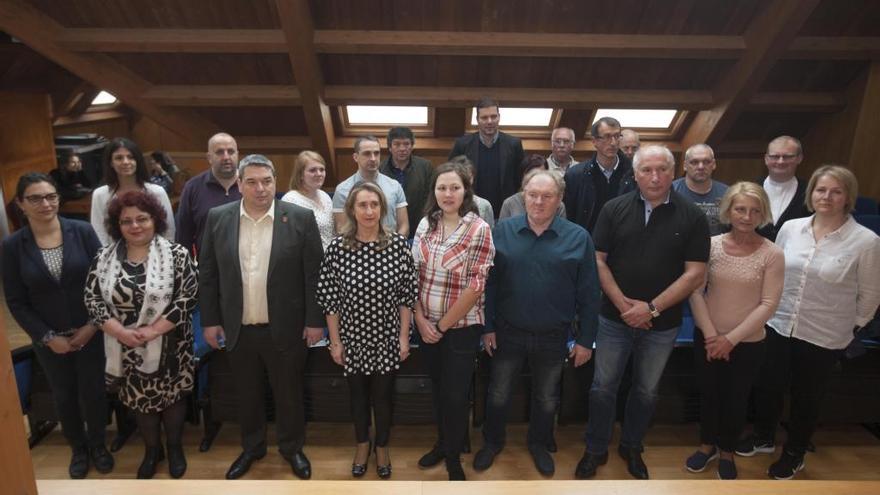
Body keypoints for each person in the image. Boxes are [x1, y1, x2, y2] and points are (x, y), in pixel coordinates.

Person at [737, 165, 880, 480]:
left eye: (836, 191)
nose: (826, 197)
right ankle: (763, 437)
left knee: (806, 397)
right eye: (820, 190)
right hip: (779, 322)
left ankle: (794, 452)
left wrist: (851, 328)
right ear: (810, 193)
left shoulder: (865, 241)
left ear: (848, 197)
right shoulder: (791, 227)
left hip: (824, 335)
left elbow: (871, 296)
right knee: (769, 387)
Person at [577, 145, 709, 480]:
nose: (654, 176)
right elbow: (597, 261)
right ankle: (595, 447)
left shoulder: (692, 215)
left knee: (647, 390)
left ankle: (632, 446)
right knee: (603, 387)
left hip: (662, 323)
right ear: (634, 174)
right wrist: (624, 305)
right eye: (647, 170)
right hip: (613, 319)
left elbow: (695, 273)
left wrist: (651, 308)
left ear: (673, 171)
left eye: (662, 169)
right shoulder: (613, 208)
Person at [199, 154, 324, 480]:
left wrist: (315, 321)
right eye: (252, 182)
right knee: (248, 394)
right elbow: (208, 273)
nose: (260, 188)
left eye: (267, 181)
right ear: (240, 184)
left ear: (275, 183)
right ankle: (252, 448)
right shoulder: (218, 218)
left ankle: (292, 449)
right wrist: (210, 321)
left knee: (289, 394)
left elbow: (314, 276)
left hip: (287, 328)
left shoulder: (299, 217)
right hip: (238, 328)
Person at [474, 169, 599, 477]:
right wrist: (487, 326)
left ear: (559, 200)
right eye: (533, 195)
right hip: (506, 332)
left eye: (547, 196)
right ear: (523, 196)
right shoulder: (501, 230)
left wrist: (585, 340)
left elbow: (589, 293)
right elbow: (488, 284)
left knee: (546, 397)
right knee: (498, 393)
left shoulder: (579, 237)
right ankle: (492, 441)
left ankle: (539, 444)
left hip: (553, 336)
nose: (539, 202)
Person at [2, 173, 112, 479]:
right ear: (21, 204)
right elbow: (16, 301)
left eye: (50, 196)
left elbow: (103, 282)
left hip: (90, 331)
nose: (45, 204)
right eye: (35, 198)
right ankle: (78, 448)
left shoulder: (82, 231)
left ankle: (99, 445)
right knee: (63, 395)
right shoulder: (12, 246)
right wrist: (47, 337)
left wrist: (92, 325)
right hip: (50, 340)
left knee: (93, 392)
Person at [84, 190, 197, 479]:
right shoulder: (103, 257)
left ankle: (174, 448)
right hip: (125, 345)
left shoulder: (177, 254)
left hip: (171, 343)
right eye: (127, 221)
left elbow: (187, 298)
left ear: (155, 220)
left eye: (142, 219)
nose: (135, 226)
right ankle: (151, 450)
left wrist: (153, 330)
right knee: (138, 401)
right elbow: (93, 300)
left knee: (171, 398)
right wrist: (120, 332)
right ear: (116, 225)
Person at [684, 182, 784, 480]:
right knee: (709, 394)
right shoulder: (710, 245)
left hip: (748, 342)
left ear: (763, 214)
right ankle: (706, 446)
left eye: (755, 211)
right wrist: (714, 336)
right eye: (740, 209)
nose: (746, 216)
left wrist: (730, 340)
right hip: (708, 337)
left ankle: (727, 450)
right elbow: (695, 292)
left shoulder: (772, 253)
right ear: (729, 210)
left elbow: (768, 304)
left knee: (736, 398)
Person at [317, 182, 417, 479]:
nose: (369, 211)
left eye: (375, 204)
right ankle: (362, 444)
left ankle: (382, 447)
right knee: (358, 397)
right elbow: (329, 299)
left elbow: (407, 297)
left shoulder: (398, 246)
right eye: (362, 205)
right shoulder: (338, 248)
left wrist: (403, 338)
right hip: (352, 338)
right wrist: (335, 342)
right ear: (352, 209)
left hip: (387, 338)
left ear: (383, 209)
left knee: (384, 397)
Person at [412, 161, 495, 480]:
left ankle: (453, 458)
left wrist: (441, 326)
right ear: (434, 191)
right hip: (425, 325)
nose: (448, 194)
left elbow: (477, 286)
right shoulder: (425, 224)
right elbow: (413, 276)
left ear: (466, 191)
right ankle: (444, 443)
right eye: (442, 188)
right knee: (437, 389)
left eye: (454, 188)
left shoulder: (479, 229)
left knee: (456, 393)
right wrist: (420, 319)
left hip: (460, 328)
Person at [90, 137, 174, 246]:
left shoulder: (157, 192)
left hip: (156, 256)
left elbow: (169, 231)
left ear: (138, 161)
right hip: (114, 257)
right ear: (111, 163)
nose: (125, 162)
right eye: (119, 158)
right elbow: (99, 232)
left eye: (130, 157)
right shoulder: (100, 195)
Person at [449, 97, 525, 216]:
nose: (489, 121)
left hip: (504, 211)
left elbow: (520, 178)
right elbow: (451, 175)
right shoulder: (462, 145)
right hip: (471, 210)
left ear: (499, 117)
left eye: (493, 116)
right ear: (477, 120)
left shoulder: (514, 144)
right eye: (484, 117)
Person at [563, 117, 636, 233]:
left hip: (624, 243)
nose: (613, 142)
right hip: (588, 240)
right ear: (594, 141)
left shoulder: (634, 173)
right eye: (607, 137)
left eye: (617, 136)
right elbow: (569, 217)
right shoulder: (575, 175)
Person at [175, 132, 242, 256]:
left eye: (231, 151)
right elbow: (183, 237)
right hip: (208, 270)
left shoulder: (252, 185)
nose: (226, 157)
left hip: (249, 269)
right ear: (209, 157)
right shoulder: (193, 188)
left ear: (237, 155)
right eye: (220, 152)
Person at [333, 136, 409, 236]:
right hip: (356, 249)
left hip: (391, 246)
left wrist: (394, 246)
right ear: (356, 157)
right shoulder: (342, 190)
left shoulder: (394, 186)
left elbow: (404, 226)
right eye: (367, 153)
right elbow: (341, 230)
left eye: (376, 153)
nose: (373, 158)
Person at [380, 126, 435, 237]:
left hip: (420, 226)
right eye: (397, 144)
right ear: (390, 147)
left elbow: (431, 197)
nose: (402, 148)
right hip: (388, 228)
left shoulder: (425, 167)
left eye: (406, 144)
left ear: (412, 146)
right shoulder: (380, 169)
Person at [757, 136, 811, 242]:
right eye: (775, 156)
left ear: (799, 158)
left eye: (787, 157)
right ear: (766, 159)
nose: (781, 161)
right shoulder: (749, 189)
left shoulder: (810, 192)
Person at [281, 150, 335, 250]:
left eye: (322, 169)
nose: (319, 174)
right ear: (301, 174)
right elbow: (288, 239)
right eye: (312, 170)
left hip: (330, 259)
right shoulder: (290, 200)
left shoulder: (325, 196)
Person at [673, 144, 729, 235]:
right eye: (694, 162)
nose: (701, 167)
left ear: (714, 164)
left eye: (706, 162)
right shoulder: (670, 191)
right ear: (685, 165)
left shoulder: (727, 193)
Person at [498, 154, 566, 220]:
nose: (535, 178)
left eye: (540, 174)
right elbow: (503, 229)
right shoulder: (509, 203)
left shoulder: (558, 204)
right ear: (522, 176)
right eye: (531, 174)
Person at [450, 155, 494, 227]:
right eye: (460, 178)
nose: (464, 183)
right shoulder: (444, 201)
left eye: (468, 178)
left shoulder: (484, 205)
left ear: (473, 178)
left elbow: (490, 234)